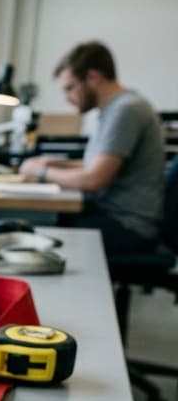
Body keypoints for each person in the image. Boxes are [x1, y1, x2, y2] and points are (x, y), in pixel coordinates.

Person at [19, 41, 165, 255]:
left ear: (93, 78)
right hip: (111, 214)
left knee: (40, 235)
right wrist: (51, 162)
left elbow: (95, 179)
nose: (67, 97)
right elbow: (96, 164)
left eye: (70, 88)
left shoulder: (126, 110)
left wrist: (42, 172)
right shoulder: (114, 109)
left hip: (129, 226)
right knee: (39, 226)